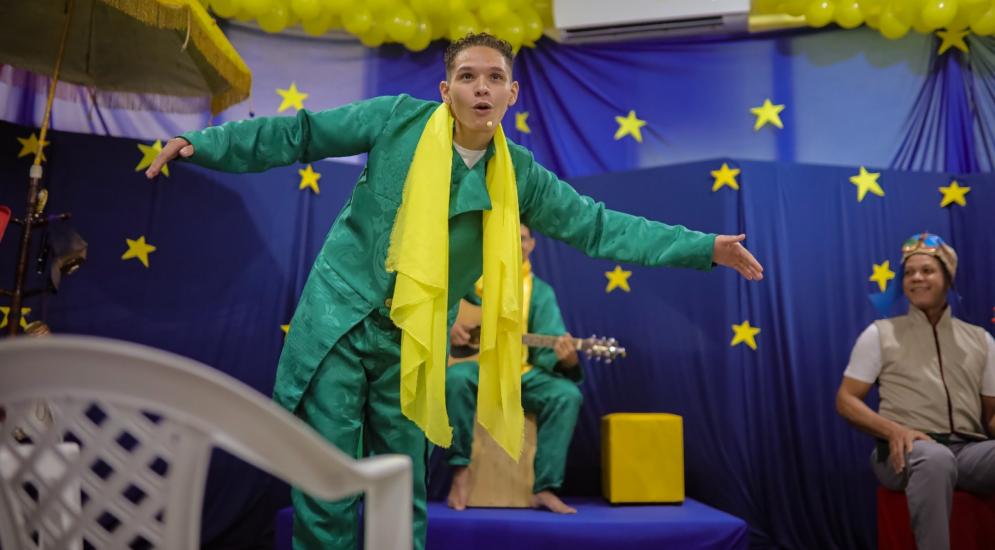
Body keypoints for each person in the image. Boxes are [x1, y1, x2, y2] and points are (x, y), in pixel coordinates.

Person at [145, 33, 764, 550]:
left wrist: (703, 247)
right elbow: (300, 134)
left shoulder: (520, 176)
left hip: (414, 342)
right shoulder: (396, 120)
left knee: (401, 491)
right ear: (446, 90)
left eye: (495, 78)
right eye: (468, 77)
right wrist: (207, 143)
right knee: (326, 485)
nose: (481, 89)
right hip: (340, 319)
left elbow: (599, 227)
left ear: (512, 94)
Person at [836, 233, 995, 550]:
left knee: (946, 459)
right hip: (904, 451)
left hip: (968, 452)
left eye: (927, 270)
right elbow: (846, 400)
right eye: (909, 272)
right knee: (935, 459)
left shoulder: (981, 339)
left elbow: (991, 415)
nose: (916, 278)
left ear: (948, 278)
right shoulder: (880, 333)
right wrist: (893, 430)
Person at [447, 224, 582, 514]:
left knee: (566, 395)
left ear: (531, 245)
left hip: (522, 375)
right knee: (455, 378)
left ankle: (544, 488)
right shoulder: (468, 279)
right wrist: (451, 326)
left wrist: (568, 359)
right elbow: (438, 308)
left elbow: (550, 344)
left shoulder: (540, 292)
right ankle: (460, 472)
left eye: (521, 239)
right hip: (479, 371)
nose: (515, 244)